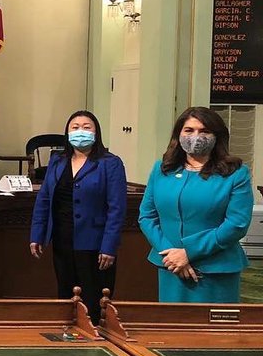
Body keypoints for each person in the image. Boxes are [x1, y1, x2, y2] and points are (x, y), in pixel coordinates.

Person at [139, 107, 253, 304]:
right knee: (173, 330)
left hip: (216, 269)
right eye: (189, 130)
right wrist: (171, 255)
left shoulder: (236, 173)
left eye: (204, 131)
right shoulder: (162, 169)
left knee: (215, 332)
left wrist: (189, 253)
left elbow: (237, 224)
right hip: (171, 268)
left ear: (217, 136)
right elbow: (147, 216)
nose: (196, 136)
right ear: (179, 134)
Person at [30, 111, 126, 322]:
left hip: (95, 243)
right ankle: (69, 336)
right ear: (67, 132)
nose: (80, 131)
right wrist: (37, 234)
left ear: (96, 132)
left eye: (86, 127)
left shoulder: (110, 163)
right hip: (62, 239)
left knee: (93, 297)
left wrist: (109, 246)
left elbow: (117, 208)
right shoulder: (58, 160)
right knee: (66, 293)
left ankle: (95, 340)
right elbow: (44, 199)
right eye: (75, 127)